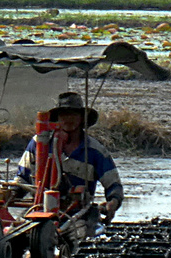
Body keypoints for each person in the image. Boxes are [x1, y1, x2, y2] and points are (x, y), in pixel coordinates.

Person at [14, 91, 123, 219]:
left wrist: (112, 203)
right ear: (58, 118)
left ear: (82, 118)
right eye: (64, 114)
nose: (69, 119)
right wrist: (10, 194)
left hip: (79, 215)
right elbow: (22, 179)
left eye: (73, 114)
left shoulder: (95, 151)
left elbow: (113, 185)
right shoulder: (39, 143)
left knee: (75, 233)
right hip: (40, 210)